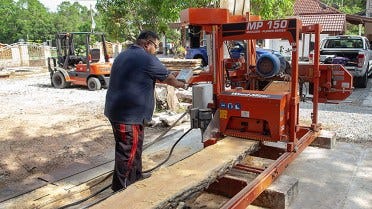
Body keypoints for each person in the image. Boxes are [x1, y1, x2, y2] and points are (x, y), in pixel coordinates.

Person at [104, 30, 187, 192]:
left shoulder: (124, 55)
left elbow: (148, 74)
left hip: (118, 111)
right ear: (147, 44)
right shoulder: (146, 58)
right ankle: (123, 190)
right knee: (128, 151)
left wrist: (172, 75)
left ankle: (136, 176)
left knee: (134, 146)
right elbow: (169, 79)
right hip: (128, 115)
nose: (156, 50)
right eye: (156, 46)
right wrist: (181, 84)